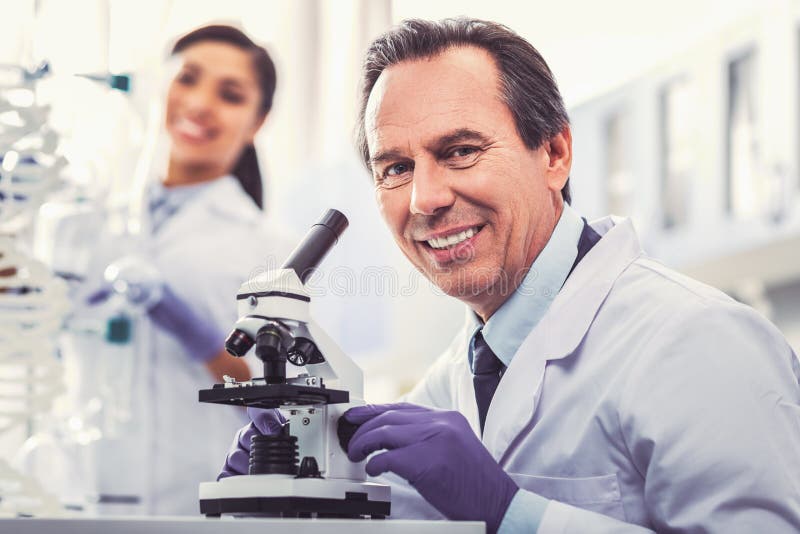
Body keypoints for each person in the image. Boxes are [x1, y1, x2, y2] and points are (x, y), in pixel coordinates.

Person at [220, 17, 800, 533]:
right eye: (396, 167)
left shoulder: (700, 341)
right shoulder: (460, 373)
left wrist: (512, 511)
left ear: (554, 154)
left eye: (461, 151)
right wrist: (302, 489)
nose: (424, 198)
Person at [67, 24, 289, 515]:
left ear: (257, 121)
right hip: (81, 487)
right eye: (186, 78)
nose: (201, 103)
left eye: (230, 95)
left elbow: (281, 399)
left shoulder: (269, 248)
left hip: (196, 497)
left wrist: (200, 337)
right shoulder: (86, 216)